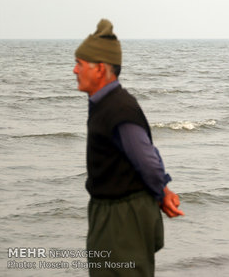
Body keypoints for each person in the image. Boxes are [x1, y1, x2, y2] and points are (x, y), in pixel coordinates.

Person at [73, 19, 184, 276]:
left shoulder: (119, 108)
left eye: (80, 64)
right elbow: (144, 156)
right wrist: (163, 190)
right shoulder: (105, 104)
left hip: (122, 218)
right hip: (112, 214)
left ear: (100, 69)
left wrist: (162, 191)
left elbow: (146, 159)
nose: (74, 71)